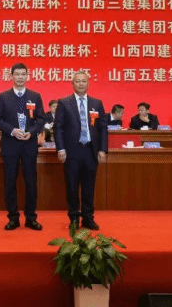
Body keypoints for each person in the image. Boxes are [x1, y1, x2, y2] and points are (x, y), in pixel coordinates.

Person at [0, 63, 46, 231]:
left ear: (27, 76)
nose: (21, 77)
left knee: (31, 182)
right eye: (17, 74)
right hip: (11, 144)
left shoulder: (35, 96)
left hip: (29, 145)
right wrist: (12, 130)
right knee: (10, 182)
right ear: (12, 76)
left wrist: (31, 132)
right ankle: (13, 218)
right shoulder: (3, 97)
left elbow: (41, 119)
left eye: (23, 74)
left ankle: (31, 218)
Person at [54, 71, 108, 231]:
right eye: (77, 81)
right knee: (72, 187)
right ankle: (73, 218)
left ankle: (88, 218)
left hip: (91, 151)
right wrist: (61, 148)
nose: (81, 84)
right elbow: (58, 128)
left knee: (89, 187)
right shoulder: (64, 102)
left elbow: (102, 128)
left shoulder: (96, 103)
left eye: (84, 81)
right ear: (72, 84)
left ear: (88, 83)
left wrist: (102, 149)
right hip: (72, 151)